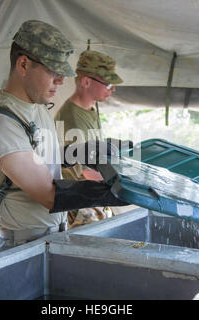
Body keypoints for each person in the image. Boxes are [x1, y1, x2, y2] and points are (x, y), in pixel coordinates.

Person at [0, 20, 128, 252]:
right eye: (53, 72)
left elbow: (40, 157)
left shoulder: (35, 107)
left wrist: (78, 152)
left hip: (52, 233)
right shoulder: (1, 123)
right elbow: (49, 194)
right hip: (23, 244)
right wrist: (118, 193)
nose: (61, 81)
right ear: (23, 65)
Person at [54, 50, 130, 228]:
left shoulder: (89, 111)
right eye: (108, 83)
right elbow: (85, 172)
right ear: (86, 81)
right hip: (81, 206)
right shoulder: (72, 118)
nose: (113, 89)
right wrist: (124, 178)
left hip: (92, 199)